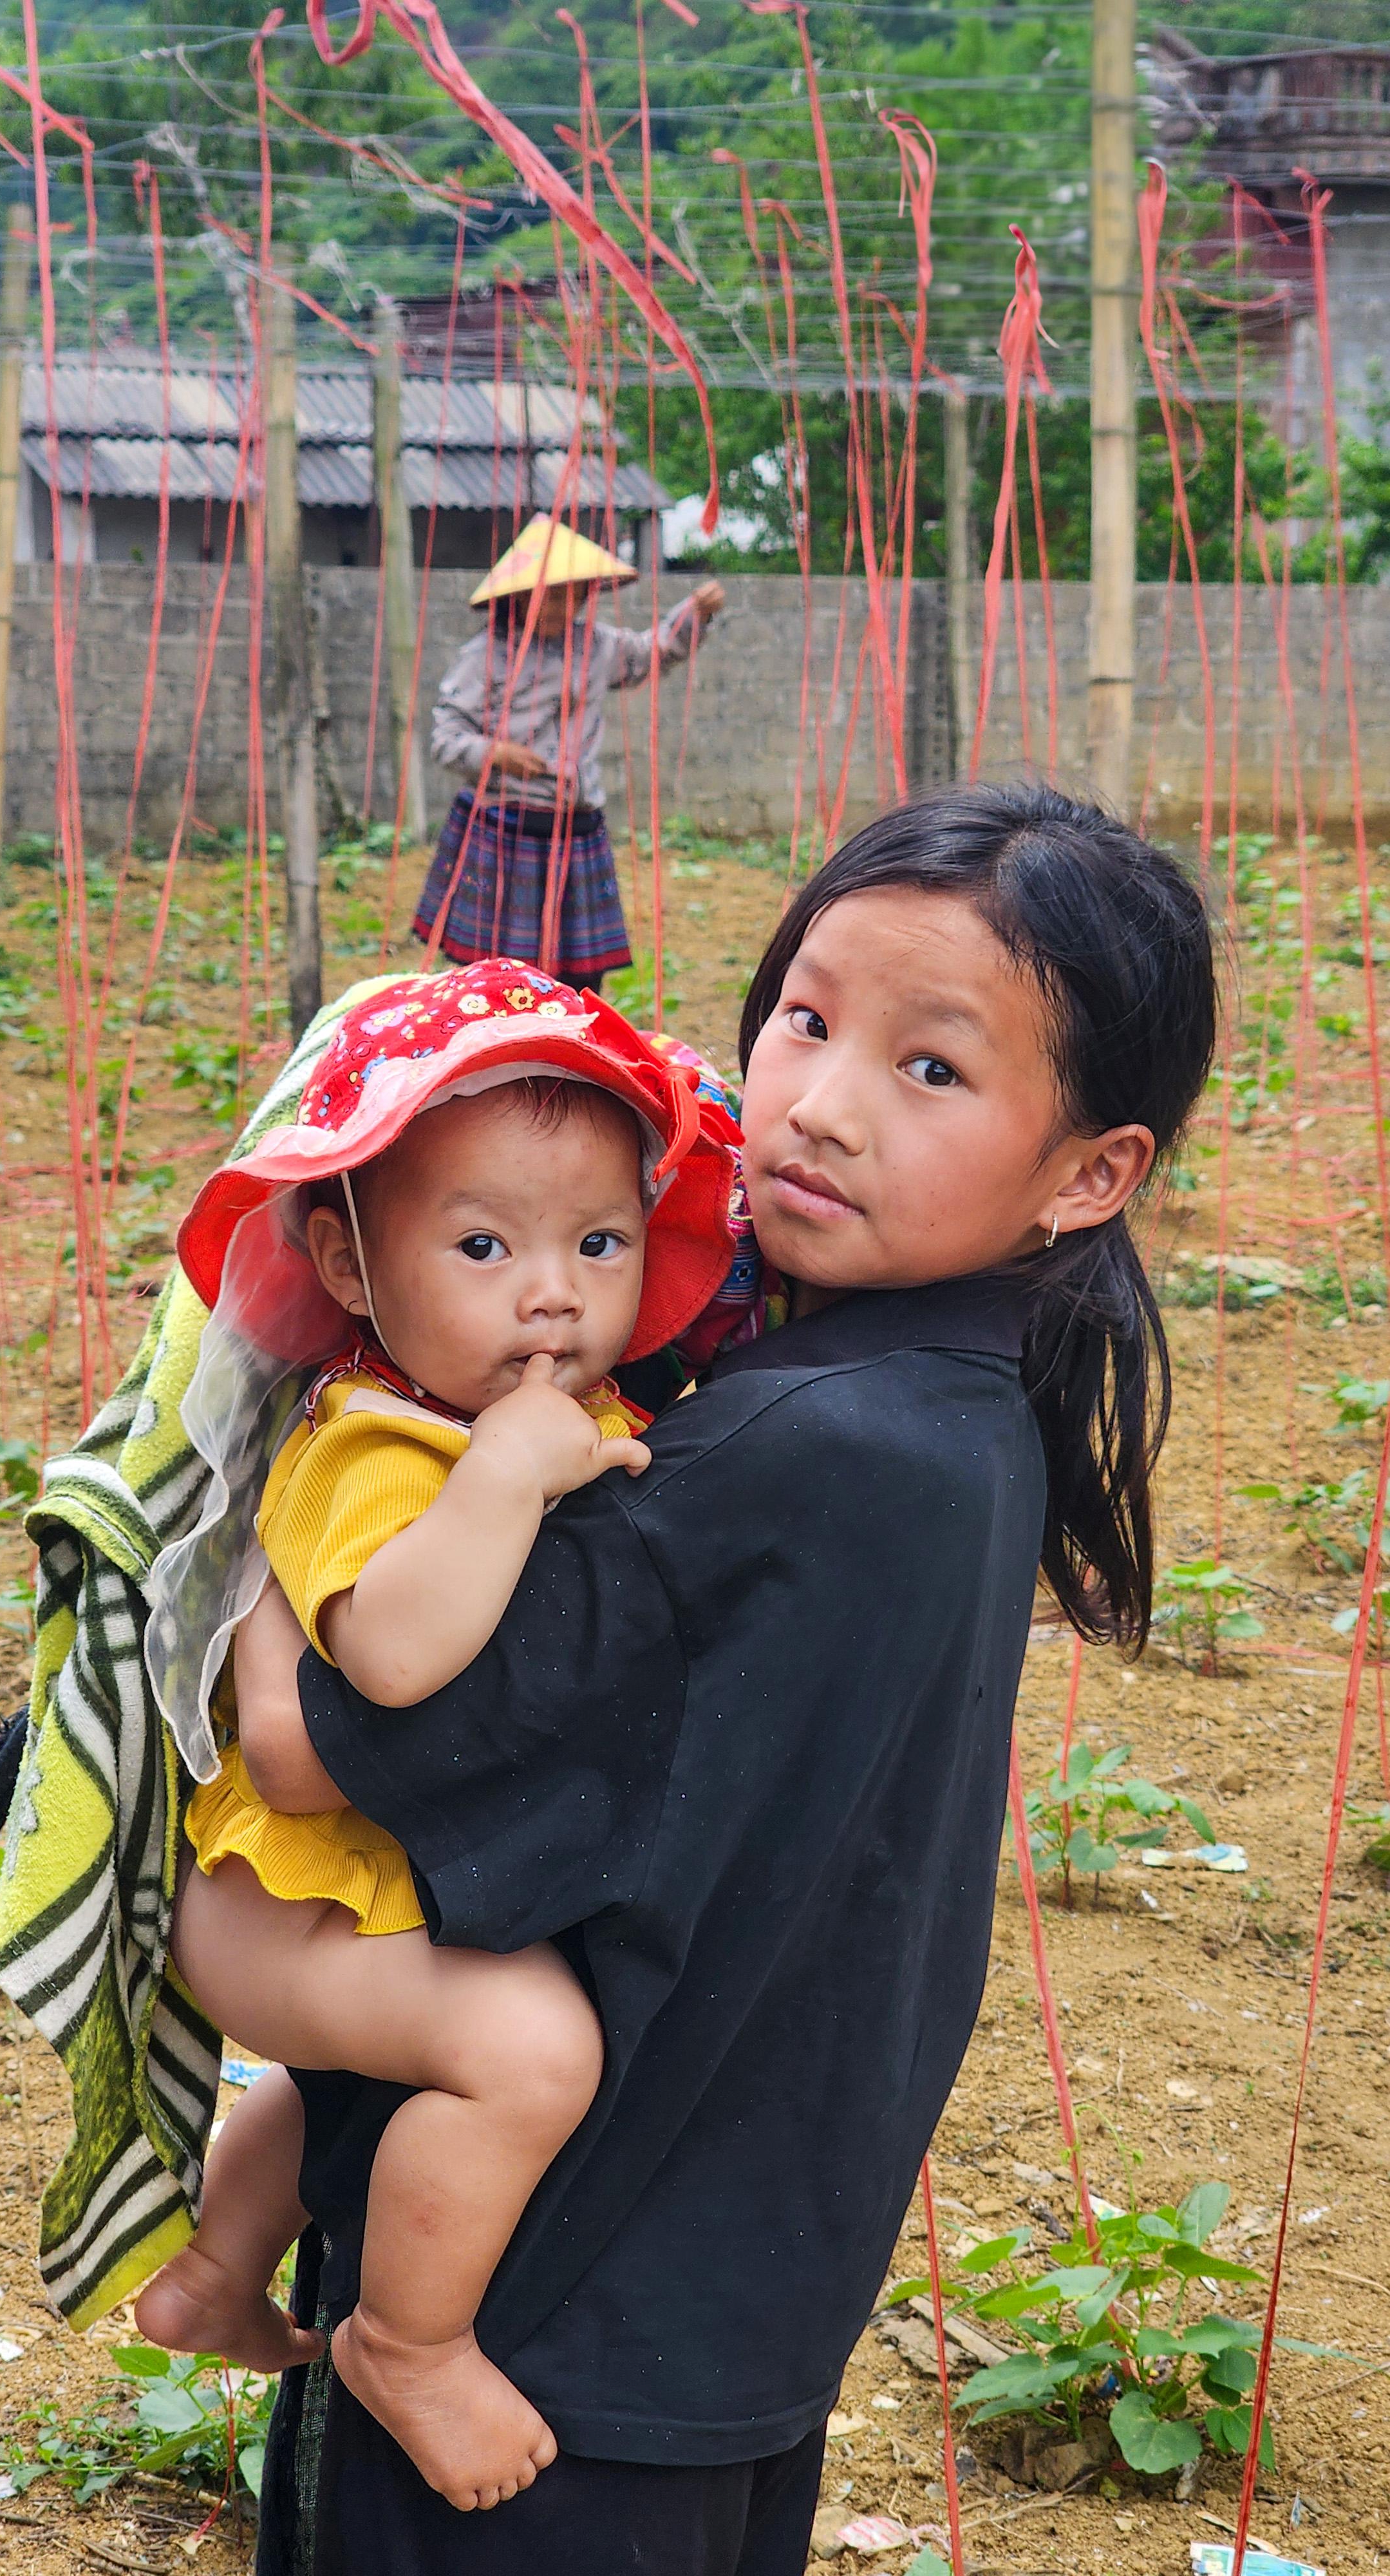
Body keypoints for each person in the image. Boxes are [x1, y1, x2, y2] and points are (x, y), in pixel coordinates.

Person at [245, 782, 1217, 2576]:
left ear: (1090, 1173)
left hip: (544, 2322)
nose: (819, 1107)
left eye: (931, 1071)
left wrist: (245, 1575)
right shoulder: (945, 1398)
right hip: (725, 2302)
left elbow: (309, 1743)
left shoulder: (801, 1447)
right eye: (806, 1019)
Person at [131, 961, 739, 2511]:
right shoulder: (379, 1444)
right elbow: (393, 1656)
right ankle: (406, 2335)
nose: (553, 1293)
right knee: (527, 2050)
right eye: (482, 1245)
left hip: (321, 1888)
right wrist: (511, 1477)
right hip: (274, 1895)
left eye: (598, 1243)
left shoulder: (488, 1406)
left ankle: (213, 2267)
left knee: (348, 2072)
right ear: (343, 1259)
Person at [416, 512, 724, 990]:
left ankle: (570, 1056)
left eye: (569, 595)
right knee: (499, 978)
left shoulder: (598, 647)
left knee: (579, 979)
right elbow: (445, 736)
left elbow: (655, 652)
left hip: (576, 829)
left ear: (586, 597)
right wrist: (496, 753)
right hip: (504, 828)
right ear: (517, 597)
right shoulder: (484, 655)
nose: (558, 607)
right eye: (546, 595)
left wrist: (696, 613)